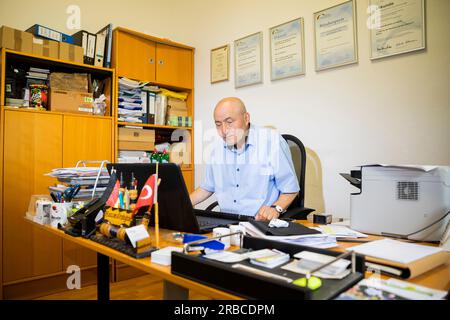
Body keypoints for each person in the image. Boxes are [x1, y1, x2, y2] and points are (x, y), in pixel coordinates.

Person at [190, 97, 299, 221]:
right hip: (225, 224)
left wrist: (275, 209)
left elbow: (291, 189)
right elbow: (206, 187)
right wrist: (181, 204)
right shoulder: (217, 149)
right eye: (218, 124)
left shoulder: (271, 142)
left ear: (246, 118)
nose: (224, 130)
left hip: (259, 223)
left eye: (229, 122)